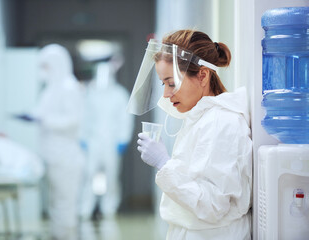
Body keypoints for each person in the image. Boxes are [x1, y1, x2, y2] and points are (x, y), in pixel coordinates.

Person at [127, 29, 252, 239]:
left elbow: (213, 205)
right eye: (163, 84)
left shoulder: (221, 123)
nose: (166, 94)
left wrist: (164, 164)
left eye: (172, 83)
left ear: (202, 75)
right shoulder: (201, 118)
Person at [17, 44, 85, 239]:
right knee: (56, 204)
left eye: (46, 66)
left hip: (66, 157)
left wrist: (43, 120)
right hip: (53, 156)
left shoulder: (68, 87)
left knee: (65, 204)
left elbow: (73, 121)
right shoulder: (51, 89)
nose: (43, 71)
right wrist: (33, 116)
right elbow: (44, 113)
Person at [80, 53, 134, 220]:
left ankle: (109, 207)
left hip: (112, 142)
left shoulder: (119, 94)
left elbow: (125, 118)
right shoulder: (90, 94)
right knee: (89, 174)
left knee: (111, 176)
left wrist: (123, 139)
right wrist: (82, 137)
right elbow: (83, 117)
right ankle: (86, 207)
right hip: (93, 141)